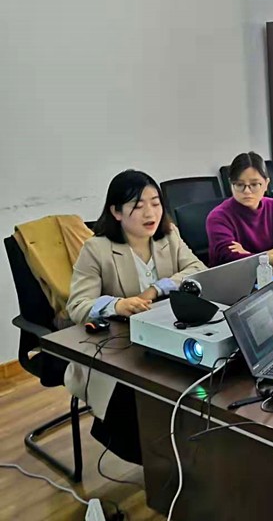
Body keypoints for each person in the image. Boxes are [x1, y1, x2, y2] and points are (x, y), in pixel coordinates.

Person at [66, 170, 207, 464]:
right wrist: (116, 305)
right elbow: (77, 306)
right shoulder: (97, 249)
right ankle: (157, 461)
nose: (150, 213)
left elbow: (198, 270)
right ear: (116, 212)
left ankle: (193, 451)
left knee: (203, 375)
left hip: (166, 334)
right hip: (119, 350)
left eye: (155, 203)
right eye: (138, 205)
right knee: (144, 392)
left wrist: (157, 288)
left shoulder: (169, 236)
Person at [206, 152, 273, 267]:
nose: (247, 191)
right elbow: (232, 259)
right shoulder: (218, 217)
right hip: (233, 276)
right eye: (239, 185)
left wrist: (250, 255)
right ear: (231, 184)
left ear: (266, 184)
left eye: (254, 185)